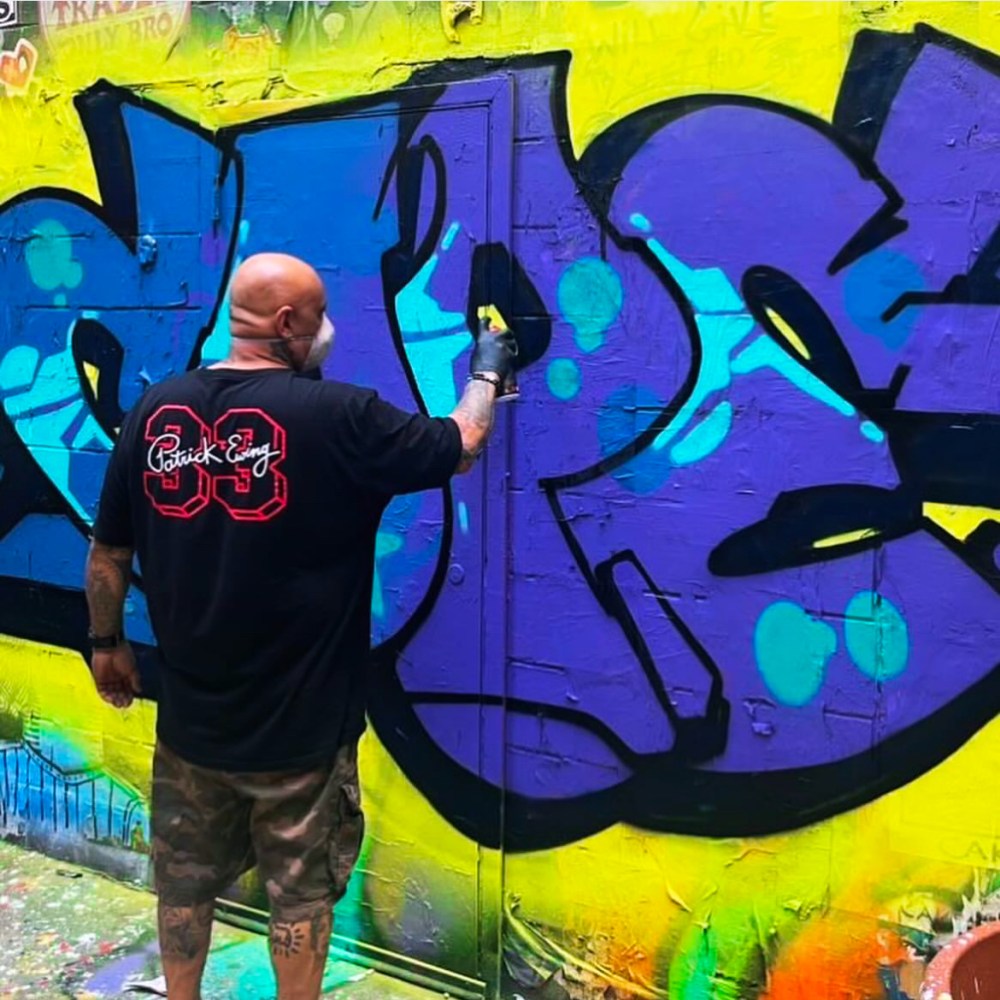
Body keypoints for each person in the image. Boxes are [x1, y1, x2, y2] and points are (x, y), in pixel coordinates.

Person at [83, 253, 516, 1000]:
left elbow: (108, 551)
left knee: (183, 880)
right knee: (300, 897)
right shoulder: (342, 415)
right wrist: (487, 369)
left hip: (191, 724)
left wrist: (105, 644)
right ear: (288, 324)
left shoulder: (157, 413)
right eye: (320, 318)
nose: (330, 334)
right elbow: (461, 445)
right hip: (302, 732)